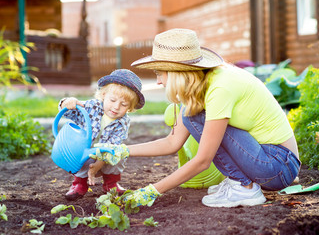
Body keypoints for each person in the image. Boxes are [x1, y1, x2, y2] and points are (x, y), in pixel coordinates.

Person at [107, 28, 301, 208]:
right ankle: (240, 182)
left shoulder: (220, 87)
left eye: (160, 73)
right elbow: (172, 142)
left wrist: (150, 191)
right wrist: (120, 150)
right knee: (190, 114)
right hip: (266, 161)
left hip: (278, 166)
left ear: (177, 73)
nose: (158, 81)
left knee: (191, 116)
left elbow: (203, 160)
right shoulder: (202, 85)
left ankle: (244, 188)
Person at [58, 69, 145, 201]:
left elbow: (113, 144)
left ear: (130, 108)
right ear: (103, 95)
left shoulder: (123, 121)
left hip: (105, 153)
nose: (116, 107)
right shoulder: (92, 107)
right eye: (112, 100)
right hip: (84, 151)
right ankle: (79, 184)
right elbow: (68, 112)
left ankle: (111, 183)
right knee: (80, 156)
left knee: (119, 154)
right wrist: (68, 102)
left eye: (123, 104)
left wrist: (99, 164)